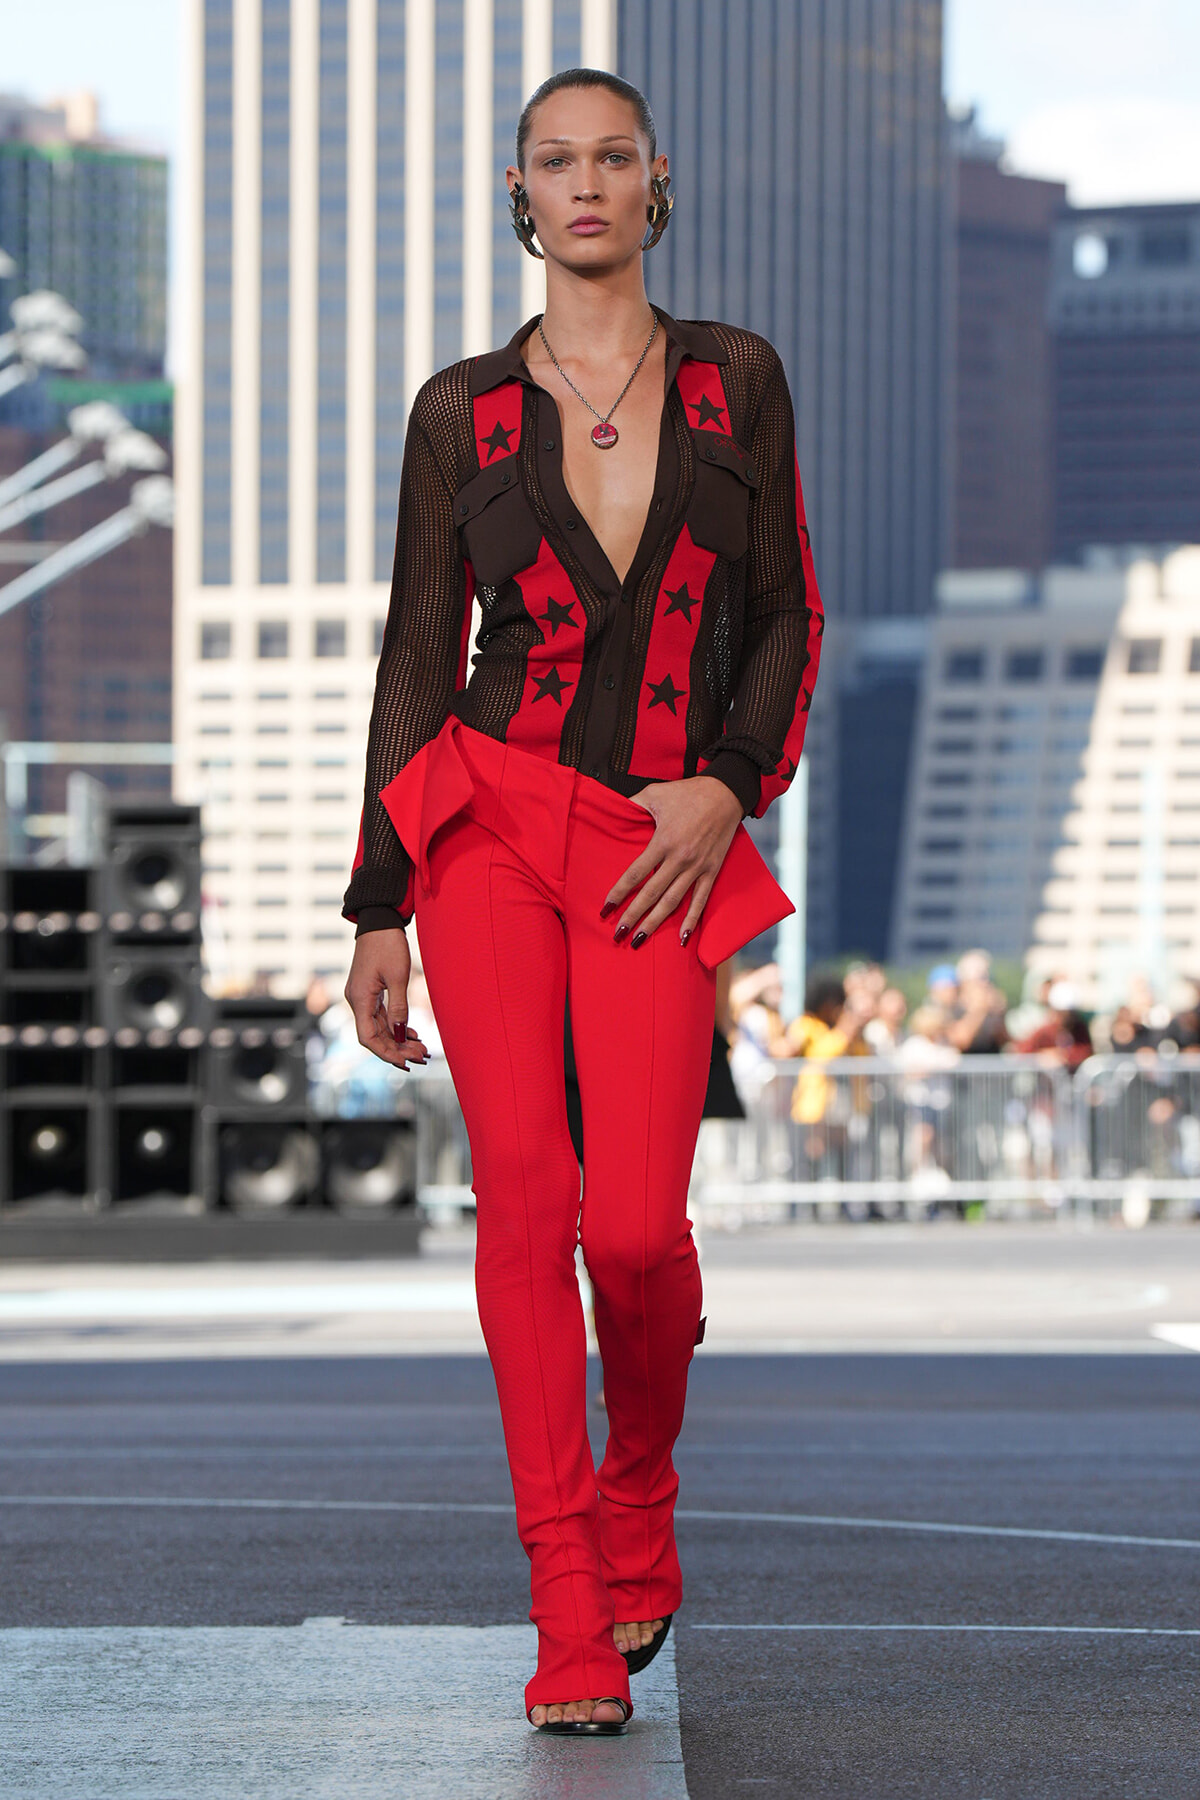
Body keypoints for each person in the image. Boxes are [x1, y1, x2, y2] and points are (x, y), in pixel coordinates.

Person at [339, 68, 822, 1737]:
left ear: (657, 182)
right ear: (520, 192)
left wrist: (730, 780)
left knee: (634, 1228)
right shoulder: (457, 410)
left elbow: (784, 611)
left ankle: (640, 1490)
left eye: (614, 156)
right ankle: (563, 1596)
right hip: (482, 819)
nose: (587, 182)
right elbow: (419, 649)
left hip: (655, 835)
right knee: (526, 1202)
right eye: (557, 160)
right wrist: (376, 903)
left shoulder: (736, 380)